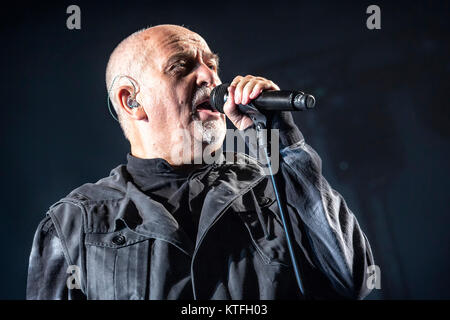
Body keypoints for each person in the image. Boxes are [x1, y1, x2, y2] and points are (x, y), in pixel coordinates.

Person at [26, 24, 374, 300]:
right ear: (131, 100)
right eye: (182, 66)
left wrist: (281, 141)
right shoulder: (75, 222)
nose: (210, 77)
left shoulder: (269, 186)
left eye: (212, 64)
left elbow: (353, 280)